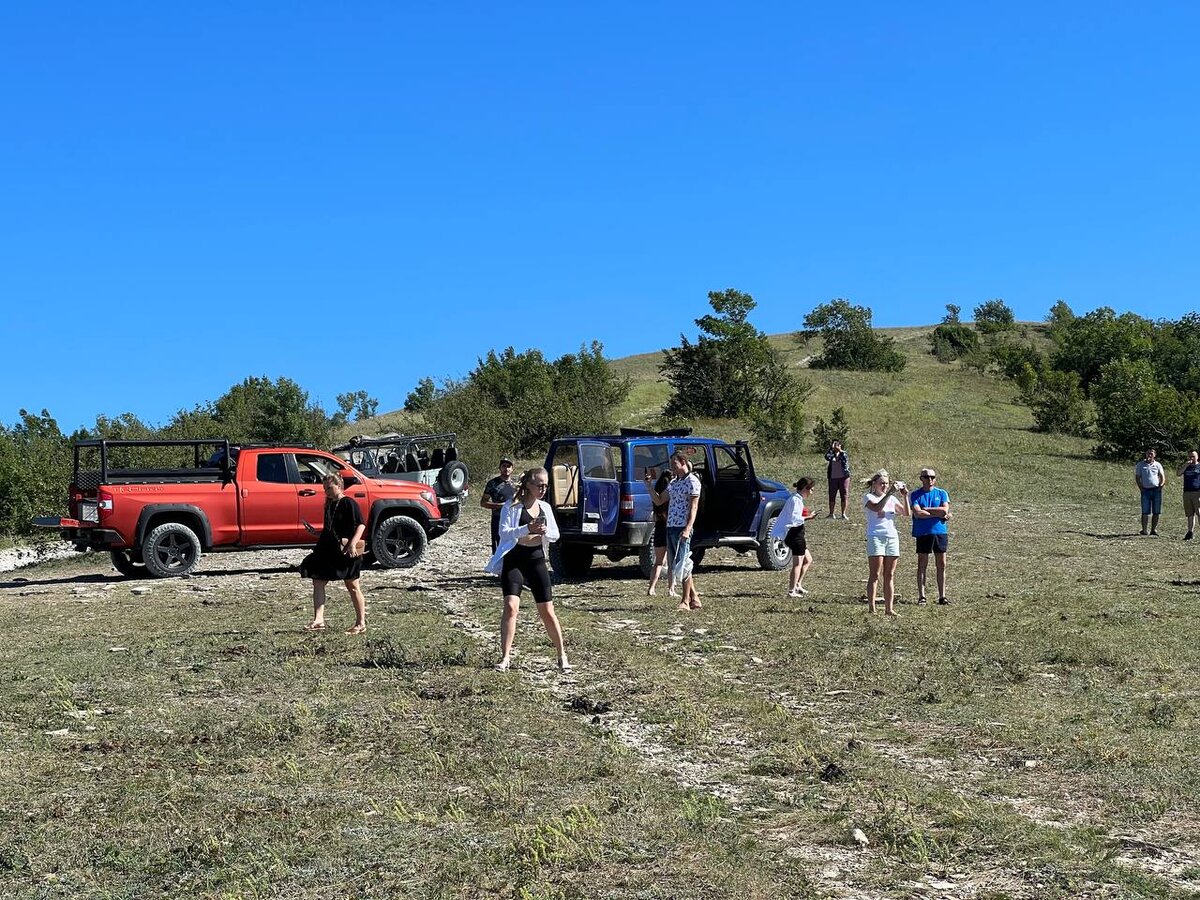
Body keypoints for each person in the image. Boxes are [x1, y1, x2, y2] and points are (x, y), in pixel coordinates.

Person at [485, 467, 569, 673]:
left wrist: (545, 531)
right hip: (514, 560)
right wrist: (527, 529)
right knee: (510, 607)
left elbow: (556, 535)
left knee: (547, 611)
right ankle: (505, 657)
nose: (543, 489)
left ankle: (562, 655)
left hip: (536, 560)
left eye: (546, 486)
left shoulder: (545, 507)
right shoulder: (511, 506)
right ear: (528, 485)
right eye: (539, 485)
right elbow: (504, 533)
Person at [300, 473, 367, 634]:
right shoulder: (329, 505)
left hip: (346, 550)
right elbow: (330, 529)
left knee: (352, 586)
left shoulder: (348, 502)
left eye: (329, 488)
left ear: (339, 486)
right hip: (328, 548)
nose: (327, 492)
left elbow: (361, 525)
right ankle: (318, 620)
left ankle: (361, 623)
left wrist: (352, 544)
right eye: (325, 489)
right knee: (318, 580)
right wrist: (316, 533)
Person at [647, 451, 702, 611]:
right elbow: (659, 500)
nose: (672, 467)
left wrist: (687, 528)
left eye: (674, 464)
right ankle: (695, 599)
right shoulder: (674, 482)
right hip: (670, 526)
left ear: (683, 462)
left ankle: (685, 601)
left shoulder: (692, 481)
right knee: (677, 564)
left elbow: (693, 507)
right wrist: (649, 486)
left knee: (683, 563)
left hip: (682, 527)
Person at [863, 470, 909, 616]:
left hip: (892, 537)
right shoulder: (868, 497)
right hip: (876, 536)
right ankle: (872, 608)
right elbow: (876, 508)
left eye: (887, 483)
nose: (884, 486)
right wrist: (889, 493)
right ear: (874, 484)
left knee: (889, 574)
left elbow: (906, 513)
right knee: (875, 574)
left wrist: (905, 496)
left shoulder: (892, 499)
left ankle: (889, 609)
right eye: (881, 483)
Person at [909, 468, 951, 605]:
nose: (930, 479)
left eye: (932, 477)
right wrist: (937, 514)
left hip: (940, 532)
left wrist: (926, 509)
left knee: (941, 563)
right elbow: (918, 514)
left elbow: (944, 510)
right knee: (922, 563)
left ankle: (942, 596)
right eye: (927, 477)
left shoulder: (942, 493)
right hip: (923, 532)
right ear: (921, 479)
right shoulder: (915, 495)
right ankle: (922, 596)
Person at [770, 477, 817, 597]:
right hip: (795, 535)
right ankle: (791, 591)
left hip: (798, 535)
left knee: (808, 560)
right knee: (797, 564)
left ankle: (798, 584)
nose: (812, 492)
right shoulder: (796, 500)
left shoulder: (796, 499)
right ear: (805, 488)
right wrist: (809, 517)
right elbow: (795, 519)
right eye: (811, 489)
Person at [645, 466, 674, 597]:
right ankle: (671, 589)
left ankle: (651, 588)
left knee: (658, 562)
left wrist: (649, 486)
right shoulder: (671, 493)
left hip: (660, 527)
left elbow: (656, 503)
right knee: (671, 561)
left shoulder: (657, 495)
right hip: (671, 527)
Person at [481, 457, 516, 552]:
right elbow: (483, 502)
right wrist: (501, 505)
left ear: (512, 469)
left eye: (508, 466)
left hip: (514, 519)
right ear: (500, 468)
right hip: (498, 519)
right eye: (504, 466)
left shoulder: (516, 484)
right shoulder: (492, 483)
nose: (506, 468)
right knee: (498, 548)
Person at [1135, 447, 1166, 536]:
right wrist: (1141, 488)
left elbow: (1162, 476)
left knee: (1156, 511)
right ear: (1146, 454)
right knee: (1145, 511)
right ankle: (1144, 530)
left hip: (1156, 490)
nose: (1149, 455)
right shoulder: (1140, 465)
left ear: (1154, 455)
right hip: (1145, 490)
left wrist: (1161, 486)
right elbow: (1137, 477)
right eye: (1148, 453)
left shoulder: (1158, 465)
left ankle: (1153, 530)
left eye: (1151, 453)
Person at [825, 440, 851, 519]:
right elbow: (827, 457)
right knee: (832, 495)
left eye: (838, 445)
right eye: (835, 445)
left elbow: (845, 459)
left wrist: (840, 451)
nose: (836, 446)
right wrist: (831, 449)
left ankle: (843, 514)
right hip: (833, 477)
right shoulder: (831, 454)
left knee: (844, 494)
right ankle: (831, 514)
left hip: (844, 477)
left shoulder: (844, 453)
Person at [1178, 450, 1200, 540]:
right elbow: (1178, 473)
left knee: (1199, 512)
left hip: (1197, 492)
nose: (1191, 458)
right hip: (1187, 492)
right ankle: (1190, 532)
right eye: (1190, 456)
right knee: (1190, 514)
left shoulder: (1199, 466)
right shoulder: (1187, 466)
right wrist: (1186, 465)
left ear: (1197, 457)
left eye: (1193, 456)